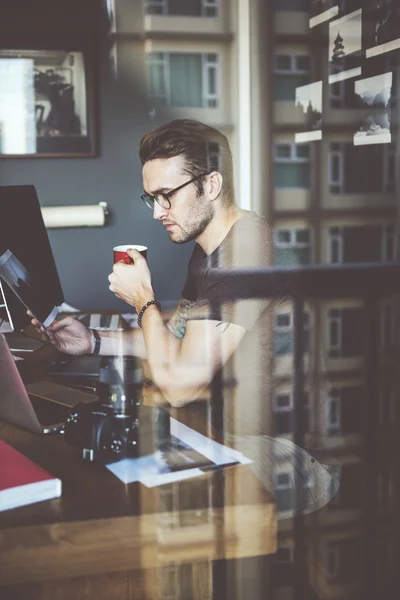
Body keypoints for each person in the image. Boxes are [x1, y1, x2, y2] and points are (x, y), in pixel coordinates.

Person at [29, 119, 338, 515]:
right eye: (150, 198)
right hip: (225, 431)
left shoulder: (247, 253)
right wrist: (92, 340)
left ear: (211, 185)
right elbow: (175, 345)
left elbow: (179, 386)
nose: (157, 212)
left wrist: (143, 299)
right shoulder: (211, 249)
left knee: (140, 502)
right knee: (102, 460)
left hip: (287, 452)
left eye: (166, 196)